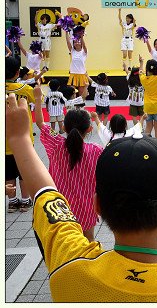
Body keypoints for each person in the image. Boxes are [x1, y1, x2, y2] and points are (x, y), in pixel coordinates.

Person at [5, 94, 157, 302]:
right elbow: (46, 194)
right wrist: (20, 140)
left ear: (97, 205)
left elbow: (46, 195)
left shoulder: (70, 265)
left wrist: (19, 140)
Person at [34, 86, 102, 242]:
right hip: (87, 207)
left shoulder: (56, 144)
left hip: (60, 209)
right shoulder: (97, 150)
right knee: (88, 240)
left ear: (63, 127)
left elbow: (40, 122)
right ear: (90, 128)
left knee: (64, 243)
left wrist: (38, 99)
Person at [5, 56, 35, 213]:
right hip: (24, 139)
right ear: (18, 72)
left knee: (8, 172)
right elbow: (38, 99)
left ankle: (12, 201)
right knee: (24, 171)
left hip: (5, 141)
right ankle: (25, 201)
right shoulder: (24, 89)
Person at [139, 57, 157, 139]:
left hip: (148, 107)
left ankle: (147, 144)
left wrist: (141, 62)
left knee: (148, 126)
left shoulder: (144, 79)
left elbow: (140, 71)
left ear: (147, 68)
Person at [65, 30, 89, 101]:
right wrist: (66, 32)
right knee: (71, 93)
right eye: (75, 41)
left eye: (78, 41)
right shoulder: (72, 51)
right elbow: (68, 42)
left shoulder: (84, 52)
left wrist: (81, 37)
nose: (77, 42)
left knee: (81, 95)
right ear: (74, 44)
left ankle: (81, 109)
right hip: (73, 75)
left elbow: (84, 46)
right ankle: (72, 108)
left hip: (82, 75)